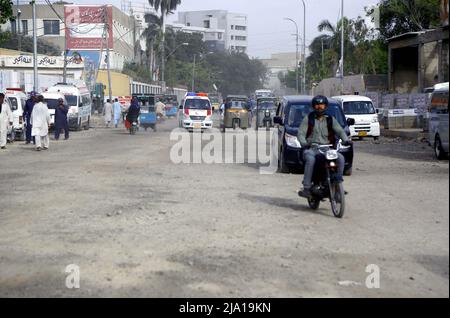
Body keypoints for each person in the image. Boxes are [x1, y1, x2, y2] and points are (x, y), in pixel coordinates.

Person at [297, 95, 352, 198]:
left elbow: (340, 130)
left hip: (327, 149)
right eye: (317, 105)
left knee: (340, 158)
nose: (319, 107)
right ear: (313, 107)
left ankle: (336, 185)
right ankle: (307, 188)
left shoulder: (330, 119)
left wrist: (346, 140)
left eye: (321, 105)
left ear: (326, 106)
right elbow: (300, 134)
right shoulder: (308, 118)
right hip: (312, 149)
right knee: (310, 159)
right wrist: (304, 143)